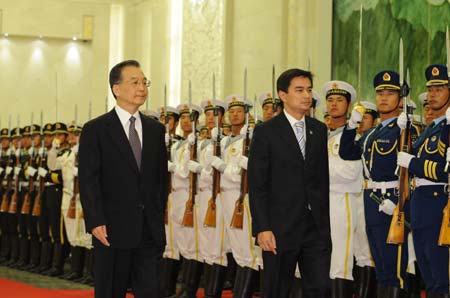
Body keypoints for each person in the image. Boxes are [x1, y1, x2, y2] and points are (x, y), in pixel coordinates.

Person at [79, 60, 167, 297]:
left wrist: (158, 218)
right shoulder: (96, 129)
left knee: (151, 291)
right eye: (135, 82)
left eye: (144, 82)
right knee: (111, 291)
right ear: (116, 89)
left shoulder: (155, 130)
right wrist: (95, 220)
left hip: (149, 231)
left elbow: (160, 180)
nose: (142, 88)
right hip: (111, 230)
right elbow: (88, 180)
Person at [248, 68, 331, 298]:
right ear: (283, 95)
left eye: (309, 90)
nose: (306, 95)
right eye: (299, 90)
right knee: (277, 289)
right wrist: (262, 228)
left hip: (315, 227)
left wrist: (324, 222)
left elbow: (321, 179)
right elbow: (257, 185)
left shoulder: (318, 129)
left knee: (320, 288)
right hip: (279, 227)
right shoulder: (266, 132)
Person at [339, 70, 413, 298]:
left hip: (393, 201)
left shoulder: (404, 129)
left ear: (400, 100)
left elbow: (411, 171)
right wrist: (351, 126)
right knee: (381, 265)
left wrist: (400, 205)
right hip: (372, 202)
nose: (383, 98)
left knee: (395, 268)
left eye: (390, 93)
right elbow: (347, 152)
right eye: (380, 93)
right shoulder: (372, 133)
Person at [399, 64, 450, 297]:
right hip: (421, 209)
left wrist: (413, 163)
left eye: (439, 89)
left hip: (439, 208)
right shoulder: (430, 130)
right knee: (428, 278)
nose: (432, 94)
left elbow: (444, 172)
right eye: (430, 89)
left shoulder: (447, 128)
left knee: (442, 279)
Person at [323, 80, 363, 297]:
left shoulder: (352, 136)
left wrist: (320, 171)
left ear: (348, 105)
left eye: (339, 100)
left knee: (341, 259)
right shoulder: (319, 133)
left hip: (342, 199)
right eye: (330, 100)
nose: (334, 104)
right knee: (323, 257)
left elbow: (350, 174)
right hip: (321, 200)